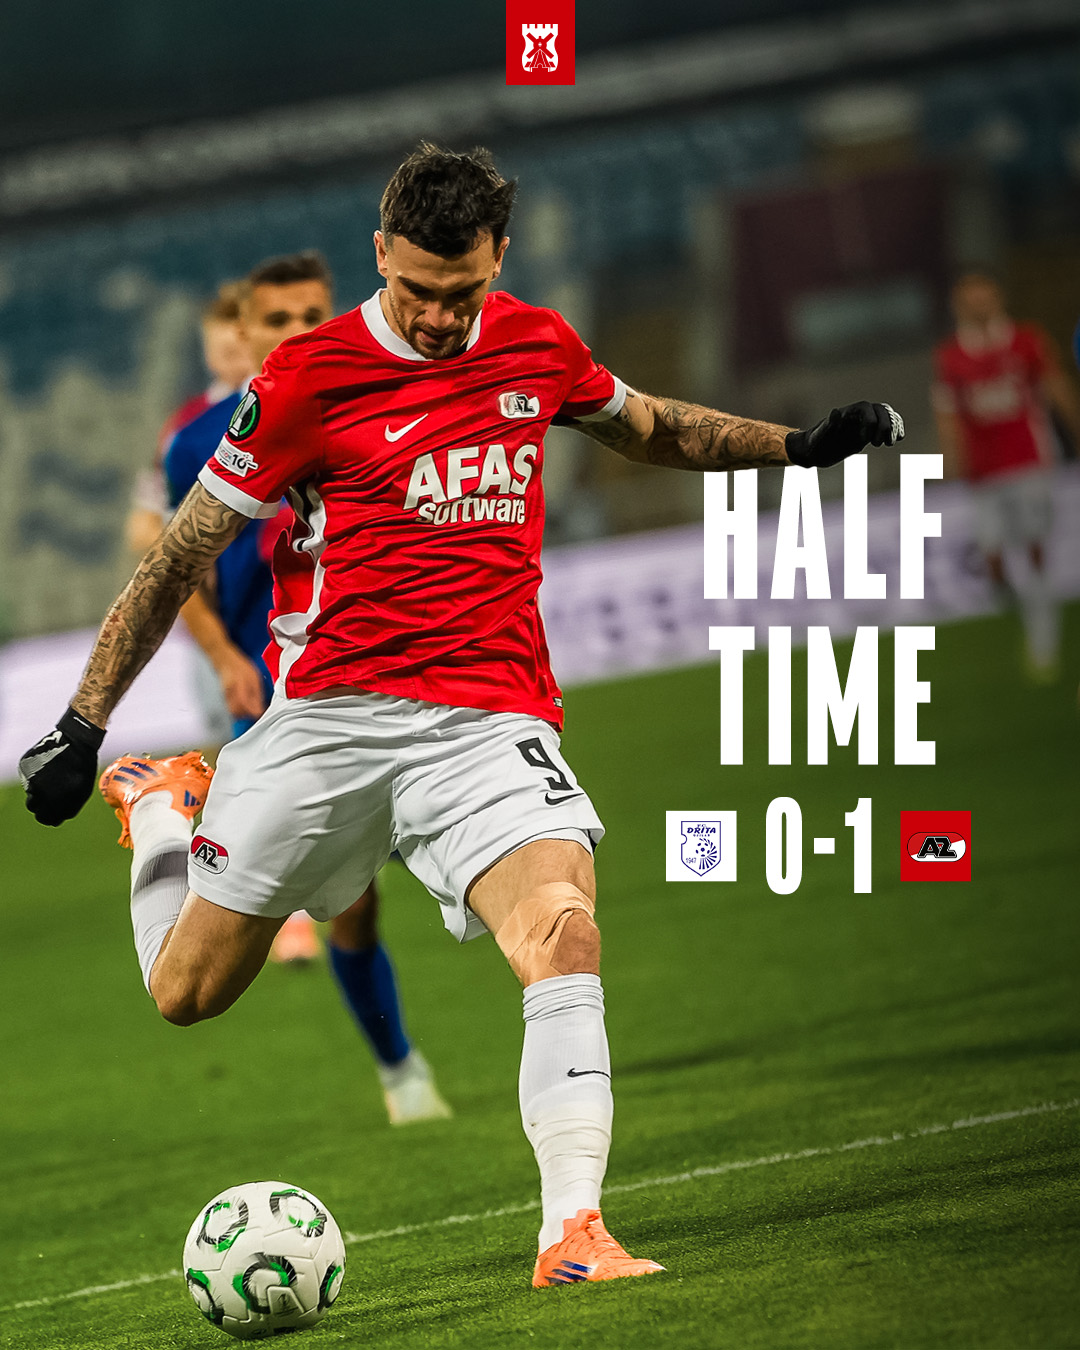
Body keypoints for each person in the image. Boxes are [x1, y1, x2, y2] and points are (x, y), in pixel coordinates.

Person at [20, 142, 904, 1287]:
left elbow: (651, 427)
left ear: (500, 259)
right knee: (186, 995)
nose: (441, 318)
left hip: (488, 720)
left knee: (565, 931)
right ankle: (158, 811)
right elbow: (180, 554)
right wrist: (85, 723)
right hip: (329, 721)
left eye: (465, 291)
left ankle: (572, 1233)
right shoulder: (306, 380)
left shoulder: (537, 344)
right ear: (381, 253)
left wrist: (797, 446)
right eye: (419, 291)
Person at [163, 252, 453, 1123]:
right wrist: (224, 658)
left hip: (378, 678)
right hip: (273, 686)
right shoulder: (196, 443)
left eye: (309, 317)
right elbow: (179, 571)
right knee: (342, 905)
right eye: (274, 323)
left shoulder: (374, 397)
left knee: (388, 895)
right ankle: (401, 1070)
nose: (293, 335)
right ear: (241, 335)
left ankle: (416, 1056)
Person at [933, 272, 1080, 681]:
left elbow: (1056, 388)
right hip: (983, 472)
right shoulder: (951, 356)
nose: (979, 304)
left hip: (1029, 461)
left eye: (984, 296)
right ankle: (1019, 605)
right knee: (993, 557)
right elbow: (947, 412)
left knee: (1034, 548)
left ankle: (1043, 639)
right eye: (971, 298)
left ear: (998, 298)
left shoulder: (1026, 341)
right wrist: (950, 461)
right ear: (959, 305)